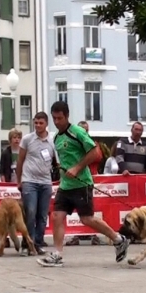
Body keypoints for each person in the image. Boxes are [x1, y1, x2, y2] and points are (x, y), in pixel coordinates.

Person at [36, 101, 130, 267]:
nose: (57, 122)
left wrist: (77, 167)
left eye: (60, 118)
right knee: (57, 216)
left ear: (67, 116)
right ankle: (57, 254)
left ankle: (118, 239)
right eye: (54, 118)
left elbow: (95, 152)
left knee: (87, 219)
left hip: (82, 183)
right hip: (65, 186)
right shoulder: (56, 137)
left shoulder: (77, 132)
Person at [15, 112, 56, 255]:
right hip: (29, 181)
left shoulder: (52, 140)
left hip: (46, 182)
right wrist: (19, 180)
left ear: (46, 124)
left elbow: (57, 161)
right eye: (36, 123)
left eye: (41, 123)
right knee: (30, 212)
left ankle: (38, 243)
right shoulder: (27, 139)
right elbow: (20, 160)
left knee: (43, 215)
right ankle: (27, 243)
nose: (38, 125)